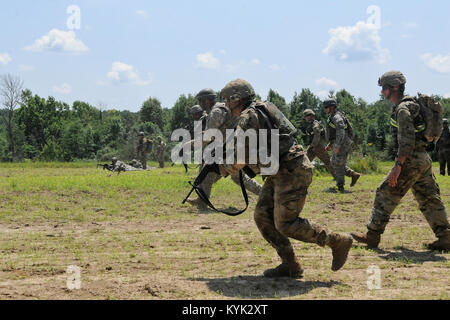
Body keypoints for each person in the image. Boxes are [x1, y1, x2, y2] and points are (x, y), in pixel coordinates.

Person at [212, 79, 353, 277]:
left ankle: (337, 240)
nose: (226, 105)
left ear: (237, 99)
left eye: (227, 100)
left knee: (286, 224)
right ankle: (291, 265)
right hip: (281, 170)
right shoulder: (263, 107)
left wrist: (224, 168)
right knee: (263, 215)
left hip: (291, 171)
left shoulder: (248, 116)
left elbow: (242, 157)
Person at [351, 71, 450, 251]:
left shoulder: (403, 109)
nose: (382, 92)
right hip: (423, 159)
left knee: (384, 193)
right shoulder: (411, 105)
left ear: (394, 87)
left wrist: (398, 166)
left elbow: (406, 140)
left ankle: (372, 235)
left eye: (384, 88)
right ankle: (445, 237)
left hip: (411, 159)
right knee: (429, 198)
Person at [186, 88, 262, 212]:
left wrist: (189, 144)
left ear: (207, 101)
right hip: (228, 148)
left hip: (229, 149)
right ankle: (202, 199)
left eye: (200, 101)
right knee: (213, 174)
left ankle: (266, 194)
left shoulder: (216, 111)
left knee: (232, 177)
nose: (199, 104)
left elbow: (209, 136)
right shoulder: (219, 109)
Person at [324, 99, 361, 192]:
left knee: (339, 164)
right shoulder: (332, 117)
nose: (325, 109)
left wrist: (337, 146)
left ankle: (340, 186)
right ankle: (353, 174)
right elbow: (334, 133)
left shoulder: (337, 117)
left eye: (326, 107)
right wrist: (330, 144)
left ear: (332, 107)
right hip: (340, 142)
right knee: (334, 162)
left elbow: (341, 132)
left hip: (342, 143)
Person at [303, 109, 335, 177]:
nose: (305, 117)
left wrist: (312, 145)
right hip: (314, 147)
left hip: (318, 147)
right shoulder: (311, 124)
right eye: (305, 116)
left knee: (328, 162)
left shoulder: (315, 124)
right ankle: (303, 177)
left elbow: (317, 135)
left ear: (311, 116)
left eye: (306, 116)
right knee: (305, 161)